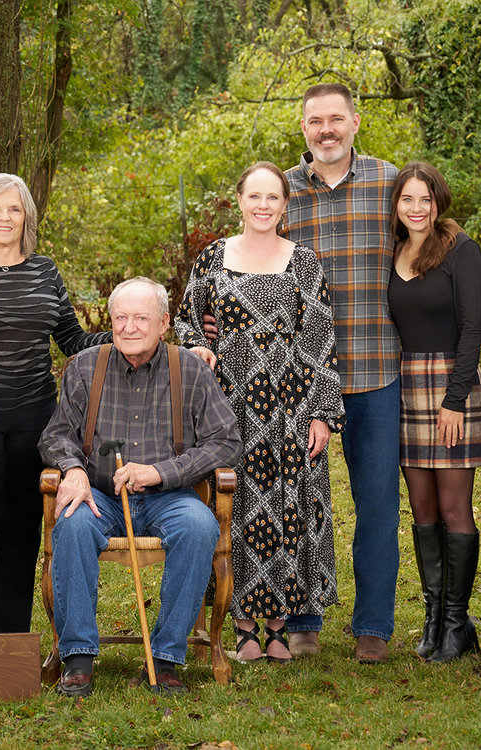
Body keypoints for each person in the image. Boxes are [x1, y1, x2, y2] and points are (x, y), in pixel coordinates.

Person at [175, 161, 345, 664]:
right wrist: (200, 348)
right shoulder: (212, 257)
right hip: (226, 408)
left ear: (286, 205)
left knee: (287, 511)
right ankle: (242, 628)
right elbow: (185, 323)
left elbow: (320, 341)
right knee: (236, 508)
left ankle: (277, 625)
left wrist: (321, 414)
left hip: (290, 409)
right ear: (241, 200)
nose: (263, 205)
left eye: (273, 197)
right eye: (255, 196)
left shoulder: (305, 263)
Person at [39, 277, 241, 696]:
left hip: (169, 496)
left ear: (164, 322)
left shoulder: (190, 369)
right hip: (100, 494)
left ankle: (166, 657)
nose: (129, 327)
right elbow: (55, 436)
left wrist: (161, 472)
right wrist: (73, 469)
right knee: (73, 523)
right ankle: (77, 657)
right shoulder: (84, 367)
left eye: (141, 318)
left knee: (200, 527)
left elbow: (227, 442)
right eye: (121, 318)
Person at [0, 173, 110, 633]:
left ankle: (11, 636)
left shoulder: (44, 271)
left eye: (14, 208)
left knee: (22, 527)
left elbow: (72, 339)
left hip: (35, 418)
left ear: (26, 215)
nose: (4, 217)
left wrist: (129, 334)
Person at [268, 83, 401, 661]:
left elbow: (426, 253)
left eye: (335, 119)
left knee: (376, 505)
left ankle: (372, 625)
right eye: (315, 121)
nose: (326, 130)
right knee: (298, 502)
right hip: (296, 381)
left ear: (354, 122)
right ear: (303, 129)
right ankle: (302, 618)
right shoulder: (282, 193)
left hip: (375, 369)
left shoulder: (389, 183)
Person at [385, 162, 481, 663]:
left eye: (425, 199)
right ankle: (433, 617)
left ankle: (456, 622)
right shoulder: (394, 251)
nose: (417, 208)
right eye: (407, 199)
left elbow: (473, 329)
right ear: (397, 205)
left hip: (453, 384)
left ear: (438, 201)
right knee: (422, 511)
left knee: (453, 510)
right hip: (406, 386)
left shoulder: (460, 251)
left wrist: (454, 399)